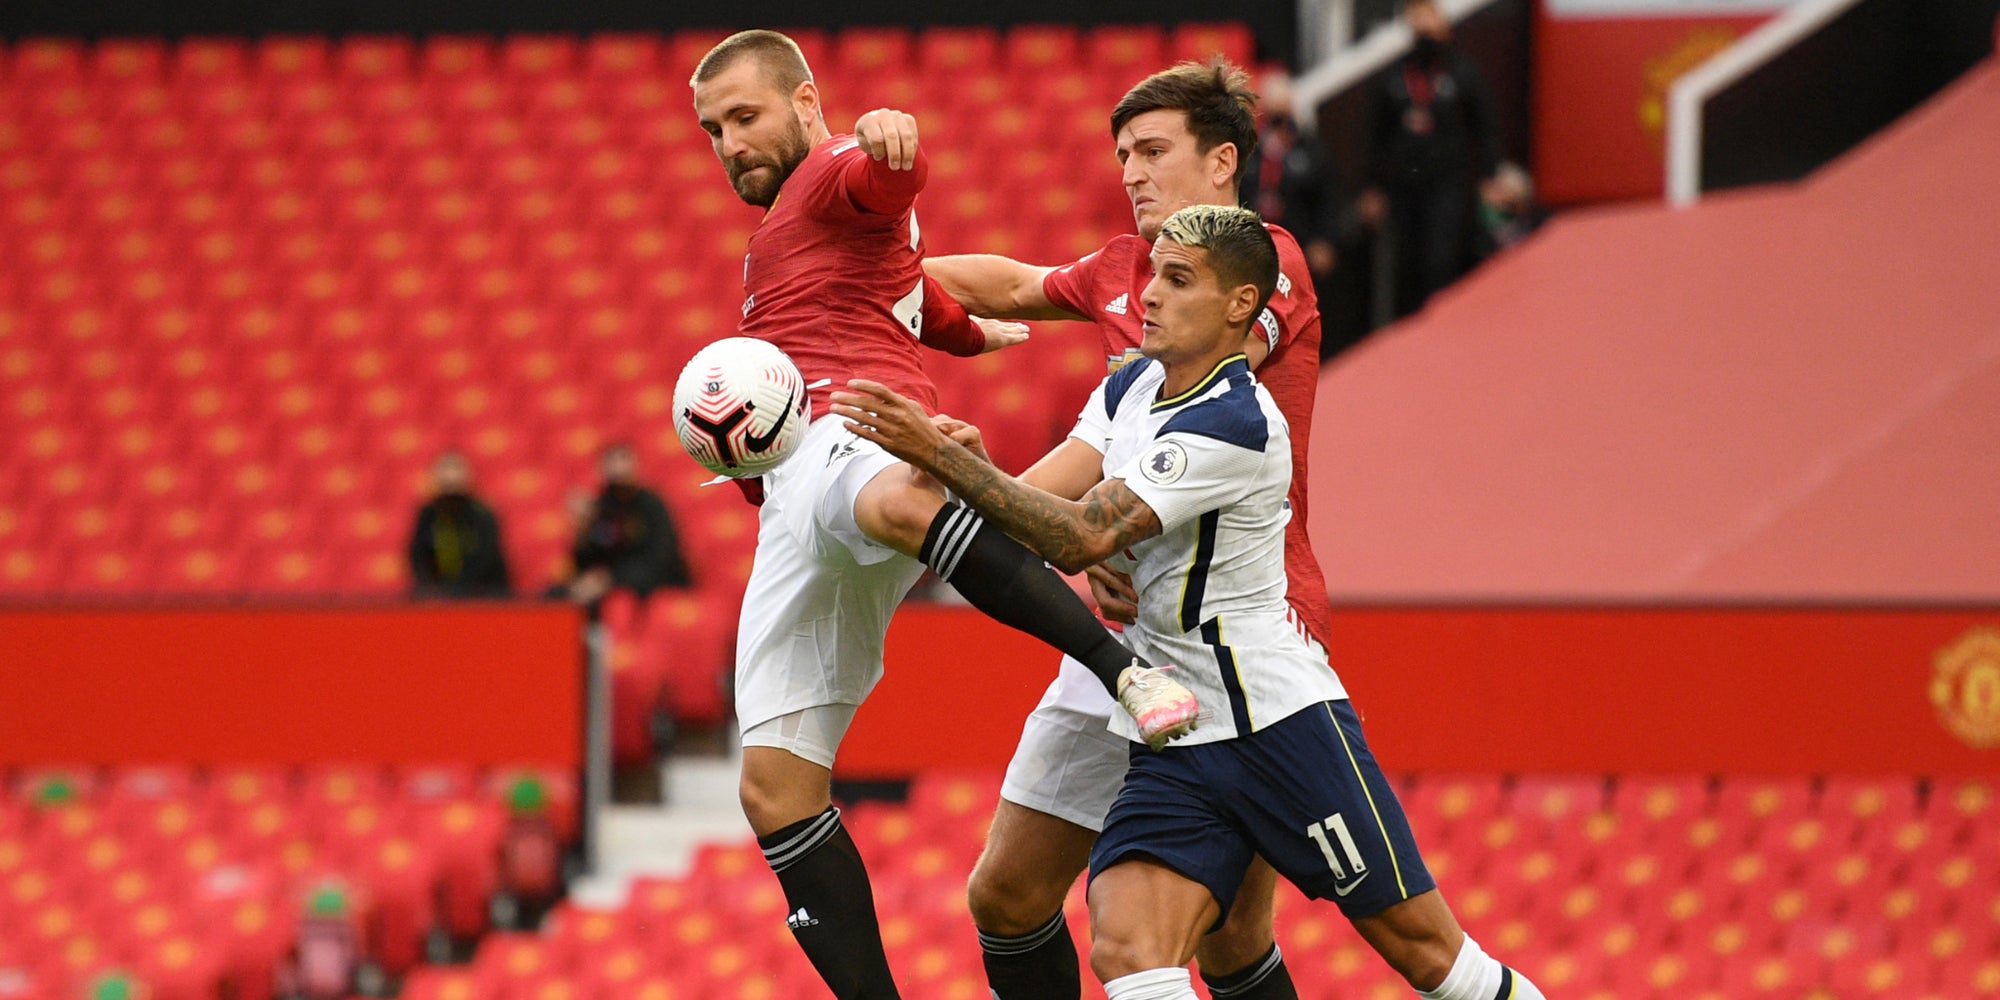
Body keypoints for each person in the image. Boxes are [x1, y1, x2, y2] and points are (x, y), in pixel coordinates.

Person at [836, 203, 1546, 1000]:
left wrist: (947, 460)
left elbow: (1080, 538)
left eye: (1177, 280)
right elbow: (1049, 509)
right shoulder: (1134, 385)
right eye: (1151, 277)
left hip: (1277, 728)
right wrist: (956, 477)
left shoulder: (1238, 423)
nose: (1150, 296)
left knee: (1429, 957)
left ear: (1241, 304)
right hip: (1170, 730)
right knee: (1131, 946)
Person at [688, 31, 1199, 1000]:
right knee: (772, 784)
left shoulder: (829, 173)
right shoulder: (792, 240)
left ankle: (1122, 671)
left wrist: (892, 145)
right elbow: (913, 296)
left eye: (744, 116)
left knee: (886, 497)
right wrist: (978, 334)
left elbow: (881, 179)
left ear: (804, 104)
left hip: (857, 430)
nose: (728, 141)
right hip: (795, 496)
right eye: (713, 129)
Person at [923, 62, 1328, 1000]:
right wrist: (866, 273)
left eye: (1154, 152)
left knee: (1225, 941)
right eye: (1122, 157)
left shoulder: (1266, 267)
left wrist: (1093, 528)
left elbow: (1197, 405)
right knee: (1007, 894)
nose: (1132, 174)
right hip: (1117, 638)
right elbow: (1018, 286)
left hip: (1239, 633)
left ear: (1223, 161)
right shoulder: (1122, 270)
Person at [1358, 0, 1503, 317]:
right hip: (1404, 187)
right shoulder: (1394, 76)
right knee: (1406, 262)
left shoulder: (1463, 73)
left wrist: (1492, 177)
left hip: (1449, 184)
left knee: (1441, 259)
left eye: (1430, 15)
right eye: (1417, 16)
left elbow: (1485, 129)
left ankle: (1445, 322)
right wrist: (1372, 188)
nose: (1424, 23)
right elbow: (1375, 137)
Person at [565, 442, 691, 606]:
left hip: (653, 582)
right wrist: (583, 527)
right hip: (607, 585)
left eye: (623, 460)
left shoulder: (652, 505)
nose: (618, 468)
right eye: (612, 461)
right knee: (559, 595)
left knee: (621, 603)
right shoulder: (601, 508)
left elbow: (661, 558)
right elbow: (587, 559)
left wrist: (611, 578)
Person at [407, 450, 511, 598]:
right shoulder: (428, 515)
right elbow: (417, 555)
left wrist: (459, 590)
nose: (451, 503)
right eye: (447, 495)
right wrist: (429, 587)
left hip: (482, 593)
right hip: (441, 594)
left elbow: (487, 559)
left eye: (456, 497)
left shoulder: (482, 515)